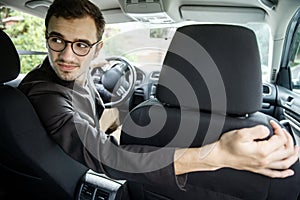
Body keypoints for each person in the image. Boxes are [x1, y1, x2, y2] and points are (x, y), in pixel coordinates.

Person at [18, 0, 299, 192]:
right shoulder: (45, 94)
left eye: (81, 45)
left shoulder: (79, 71)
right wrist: (217, 154)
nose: (67, 56)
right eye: (57, 40)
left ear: (97, 48)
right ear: (46, 38)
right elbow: (106, 155)